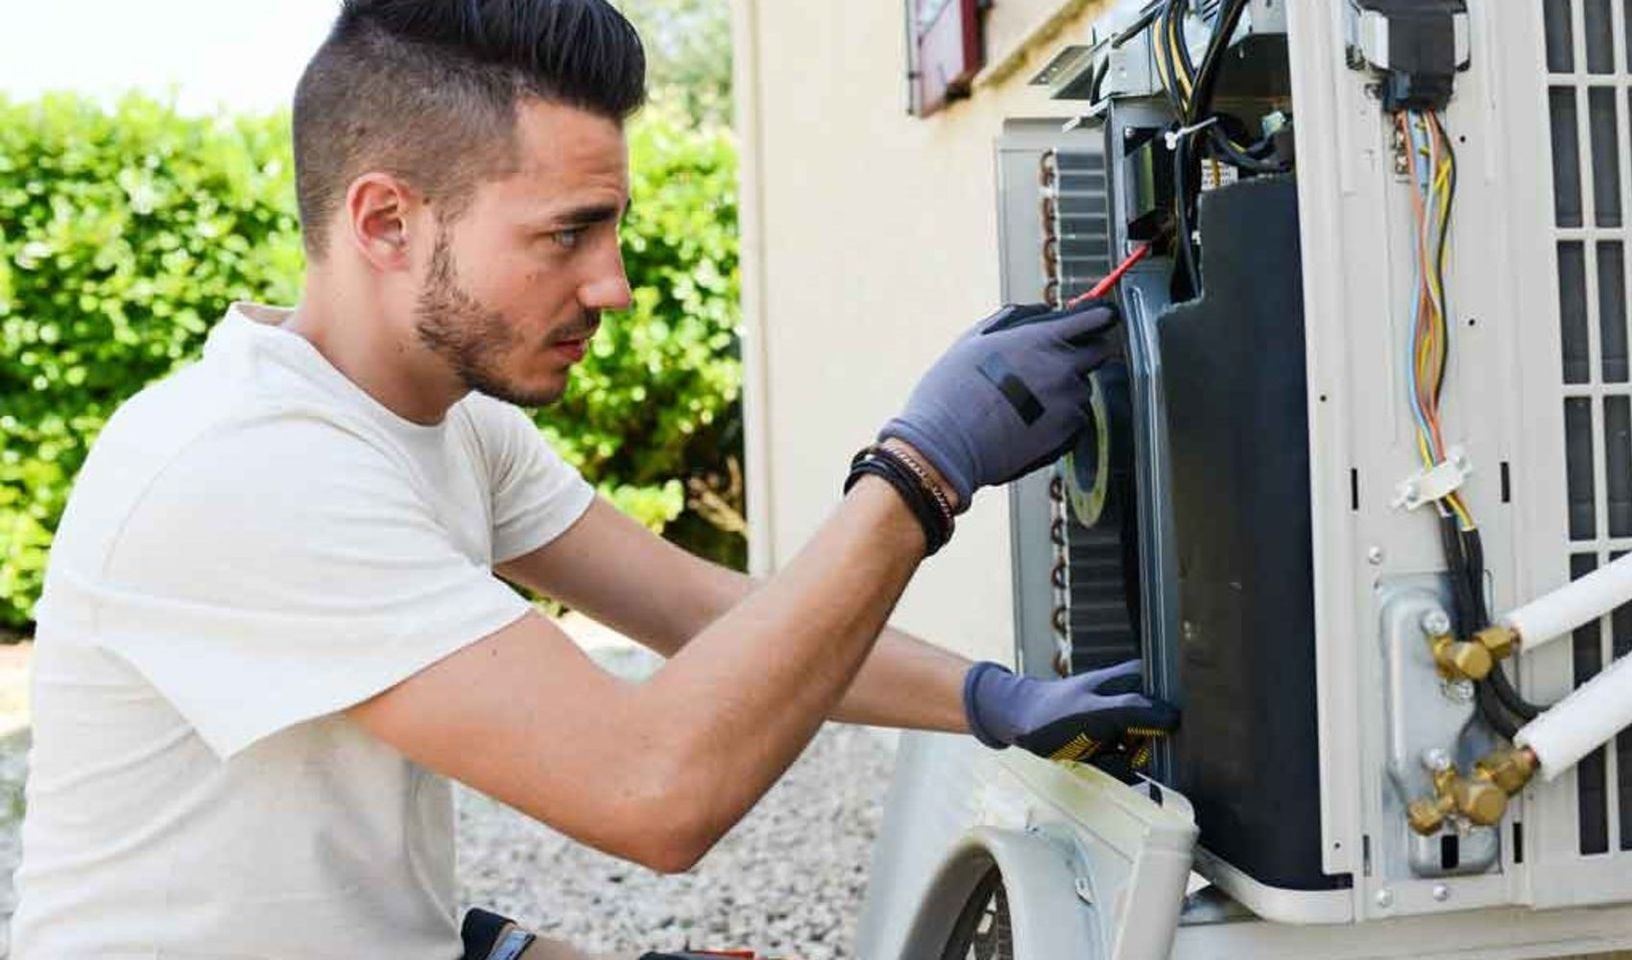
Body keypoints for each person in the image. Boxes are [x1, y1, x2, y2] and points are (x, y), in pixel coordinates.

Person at [7, 1, 1177, 956]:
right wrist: (918, 474)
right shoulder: (247, 469)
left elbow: (702, 615)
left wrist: (989, 698)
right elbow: (653, 791)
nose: (613, 285)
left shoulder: (445, 419)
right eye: (567, 234)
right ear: (384, 220)